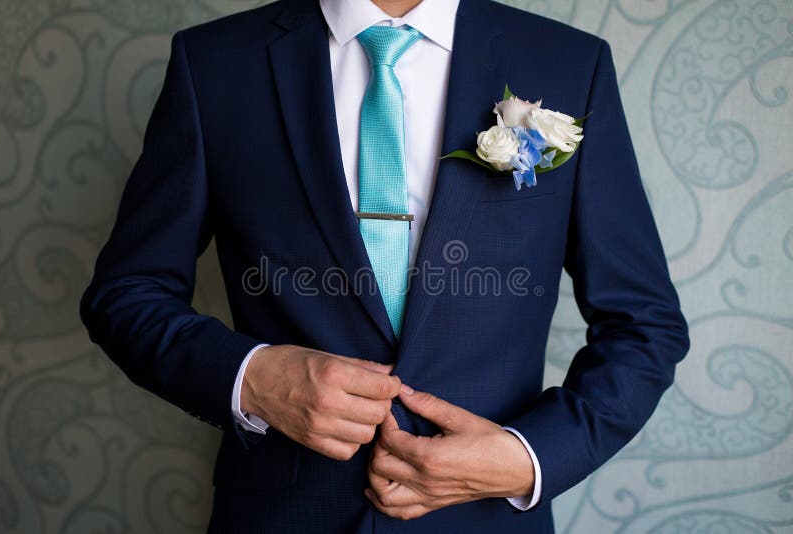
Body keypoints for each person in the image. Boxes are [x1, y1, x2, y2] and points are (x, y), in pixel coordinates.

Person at [80, 0, 690, 531]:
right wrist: (255, 380)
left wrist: (528, 457)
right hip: (278, 516)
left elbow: (645, 326)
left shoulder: (568, 64)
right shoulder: (214, 63)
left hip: (482, 524)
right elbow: (125, 293)